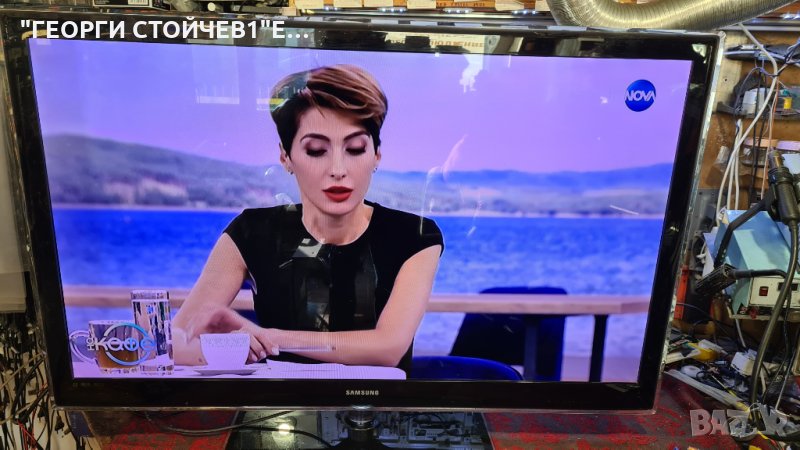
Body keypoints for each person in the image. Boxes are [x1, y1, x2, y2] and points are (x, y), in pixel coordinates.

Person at [173, 65, 443, 373]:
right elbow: (178, 341)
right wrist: (230, 346)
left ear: (376, 155)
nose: (338, 169)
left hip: (375, 404)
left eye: (355, 149)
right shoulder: (250, 232)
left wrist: (268, 338)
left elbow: (387, 348)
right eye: (316, 150)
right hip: (275, 403)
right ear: (285, 157)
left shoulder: (414, 236)